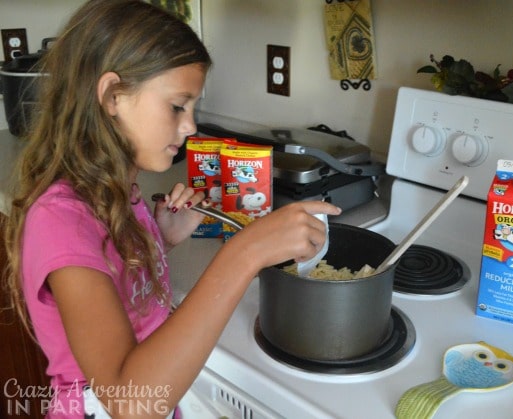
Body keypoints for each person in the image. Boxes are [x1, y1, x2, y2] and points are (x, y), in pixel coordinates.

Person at [2, 1, 340, 418]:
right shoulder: (59, 221)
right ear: (112, 96)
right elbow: (130, 404)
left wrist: (160, 238)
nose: (191, 126)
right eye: (178, 106)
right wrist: (245, 253)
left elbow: (114, 280)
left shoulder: (116, 192)